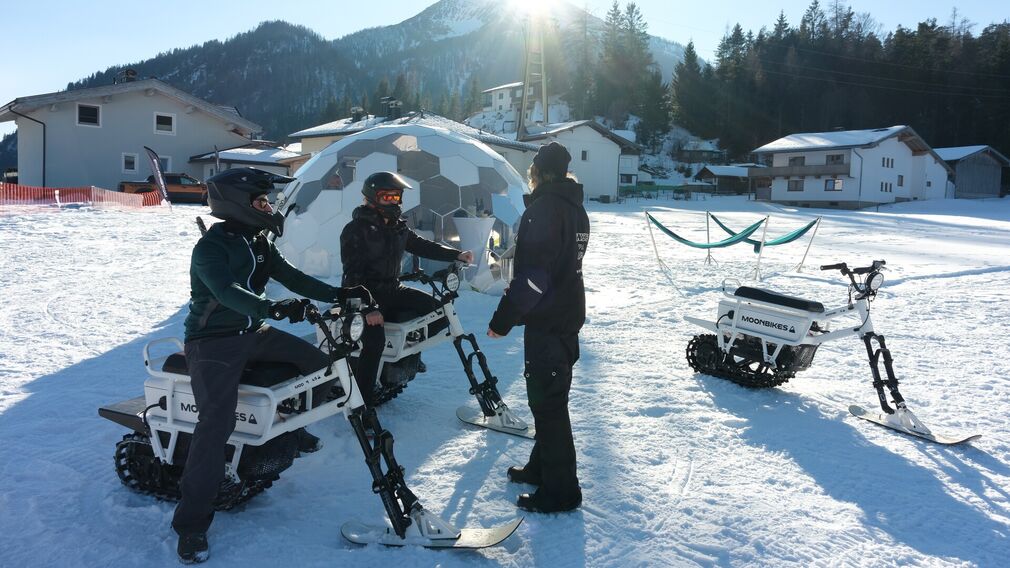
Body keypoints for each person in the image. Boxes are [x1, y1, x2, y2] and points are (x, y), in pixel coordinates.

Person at [172, 168, 375, 564]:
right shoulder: (210, 248)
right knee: (215, 425)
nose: (268, 208)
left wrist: (339, 293)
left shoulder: (259, 242)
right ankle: (191, 524)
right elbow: (227, 292)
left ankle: (291, 429)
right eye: (261, 201)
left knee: (320, 365)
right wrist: (273, 308)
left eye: (268, 201)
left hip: (254, 333)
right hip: (212, 341)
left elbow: (293, 278)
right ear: (237, 204)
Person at [487, 142, 590, 513]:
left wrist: (503, 320)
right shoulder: (574, 208)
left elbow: (533, 278)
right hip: (566, 316)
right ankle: (540, 467)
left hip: (549, 321)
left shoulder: (545, 209)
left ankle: (562, 492)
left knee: (548, 405)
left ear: (538, 173)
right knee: (547, 399)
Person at [339, 171, 473, 401]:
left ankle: (403, 357)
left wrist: (456, 255)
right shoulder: (356, 230)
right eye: (387, 197)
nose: (394, 202)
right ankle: (362, 402)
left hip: (393, 289)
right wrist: (367, 308)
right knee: (374, 343)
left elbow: (421, 245)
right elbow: (352, 274)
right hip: (364, 294)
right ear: (372, 197)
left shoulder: (397, 227)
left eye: (397, 196)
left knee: (440, 314)